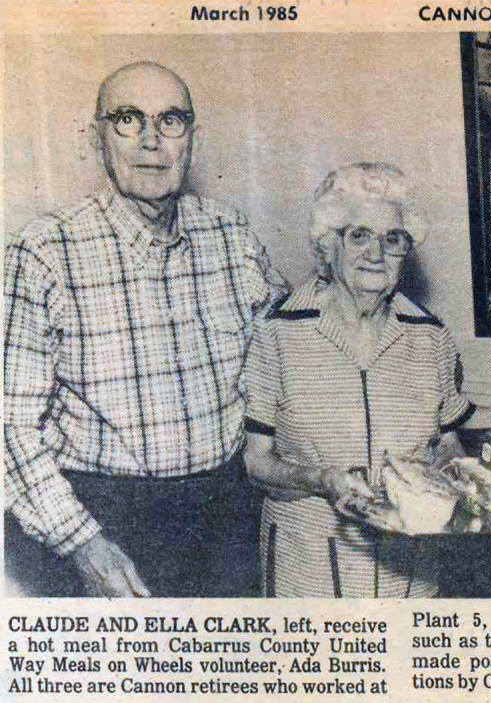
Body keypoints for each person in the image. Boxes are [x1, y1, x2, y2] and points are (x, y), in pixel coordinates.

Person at [4, 61, 290, 597]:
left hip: (226, 519)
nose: (151, 141)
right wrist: (82, 544)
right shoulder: (44, 251)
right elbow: (9, 426)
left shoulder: (230, 233)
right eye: (128, 119)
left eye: (170, 120)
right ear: (97, 139)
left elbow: (286, 357)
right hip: (107, 523)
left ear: (192, 138)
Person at [245, 163, 475, 597]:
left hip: (410, 574)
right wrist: (319, 479)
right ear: (328, 245)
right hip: (308, 569)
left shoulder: (431, 337)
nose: (376, 253)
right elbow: (255, 462)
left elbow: (447, 442)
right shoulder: (278, 334)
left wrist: (453, 479)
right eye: (359, 235)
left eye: (393, 239)